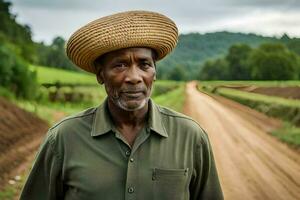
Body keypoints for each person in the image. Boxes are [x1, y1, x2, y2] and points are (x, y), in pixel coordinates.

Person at [20, 10, 223, 200]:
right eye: (120, 65)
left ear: (154, 72)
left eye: (144, 64)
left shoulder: (191, 136)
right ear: (101, 75)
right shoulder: (63, 138)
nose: (134, 78)